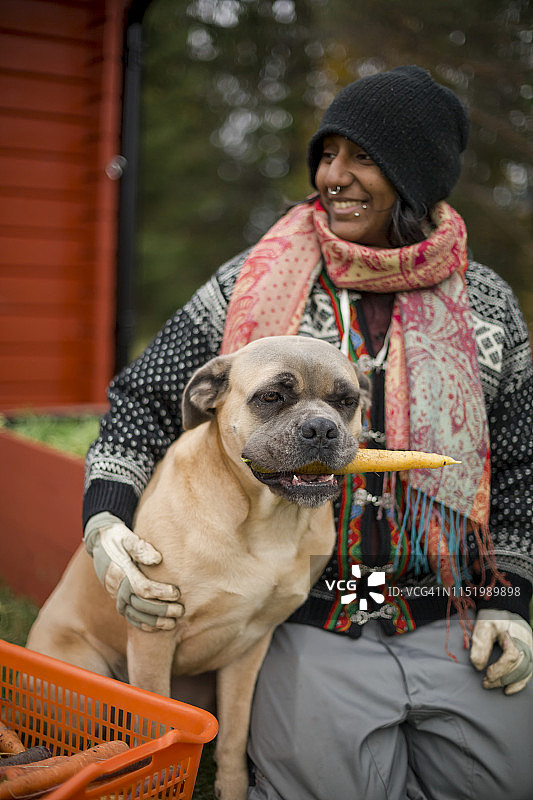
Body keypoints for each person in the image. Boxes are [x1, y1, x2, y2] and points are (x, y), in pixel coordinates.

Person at [83, 66, 533, 799]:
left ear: (415, 176)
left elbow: (519, 463)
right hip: (307, 614)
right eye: (326, 155)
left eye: (362, 158)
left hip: (443, 614)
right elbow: (141, 397)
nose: (334, 176)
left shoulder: (487, 305)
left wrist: (508, 606)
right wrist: (106, 523)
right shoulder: (248, 280)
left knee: (502, 783)